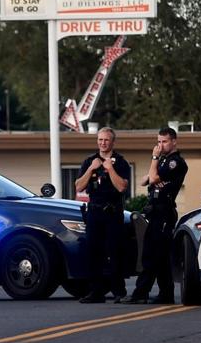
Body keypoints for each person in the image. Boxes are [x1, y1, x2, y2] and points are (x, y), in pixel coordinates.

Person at [123, 126, 187, 304]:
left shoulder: (176, 162)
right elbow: (145, 180)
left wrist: (154, 158)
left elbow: (152, 179)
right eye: (158, 142)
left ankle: (140, 293)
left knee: (150, 254)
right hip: (156, 211)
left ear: (174, 141)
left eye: (164, 141)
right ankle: (166, 293)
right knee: (161, 256)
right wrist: (155, 167)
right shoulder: (164, 161)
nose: (160, 145)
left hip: (164, 212)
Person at [74, 126, 131, 303]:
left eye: (106, 140)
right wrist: (91, 169)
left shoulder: (120, 162)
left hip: (113, 212)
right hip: (94, 211)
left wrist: (109, 169)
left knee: (115, 251)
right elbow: (78, 186)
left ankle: (118, 291)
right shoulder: (90, 161)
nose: (102, 143)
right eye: (100, 140)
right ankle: (95, 292)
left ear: (112, 142)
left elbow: (122, 186)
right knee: (93, 252)